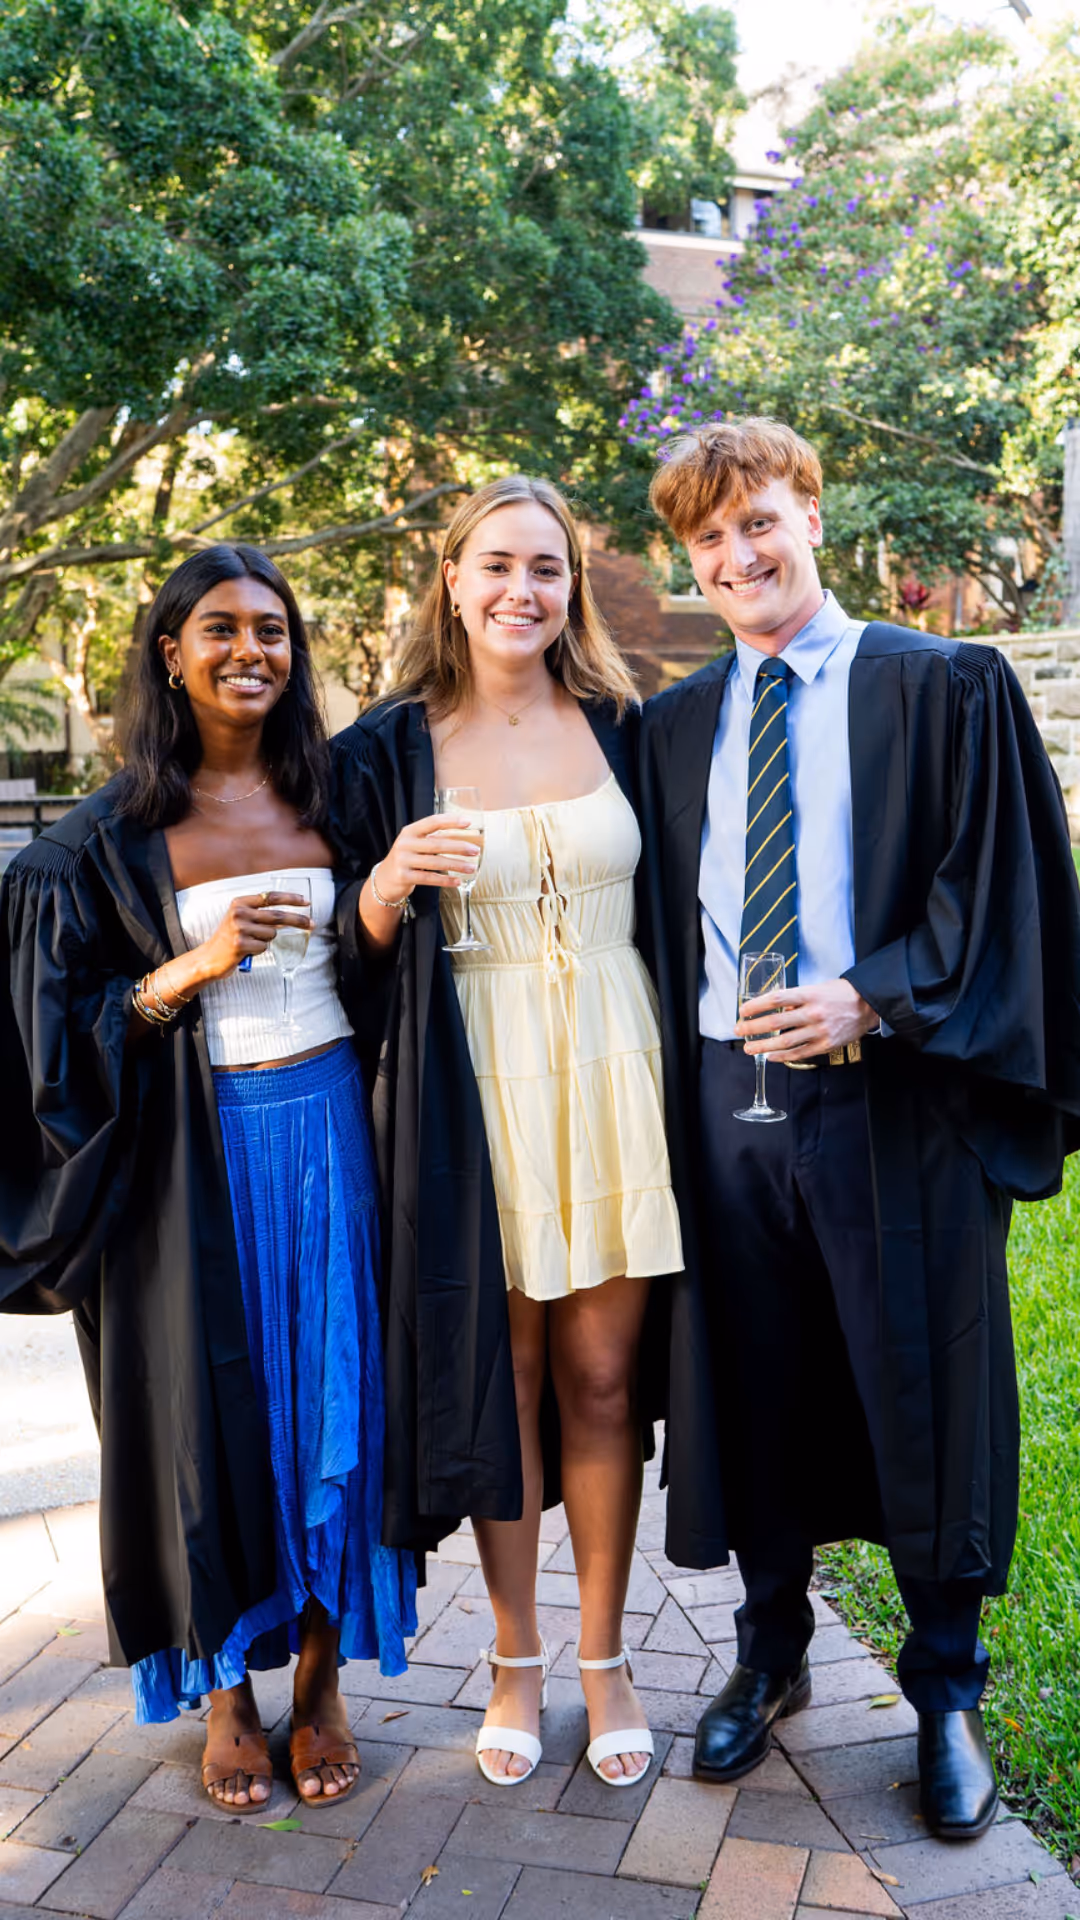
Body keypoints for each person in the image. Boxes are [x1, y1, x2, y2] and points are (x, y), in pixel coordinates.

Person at [637, 418, 1080, 1839]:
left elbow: (998, 887)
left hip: (892, 1092)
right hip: (726, 1101)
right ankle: (773, 1653)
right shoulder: (676, 722)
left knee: (924, 1374)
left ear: (811, 517)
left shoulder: (942, 684)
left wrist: (871, 1001)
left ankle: (944, 1687)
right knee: (753, 1372)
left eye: (758, 521)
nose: (738, 556)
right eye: (709, 540)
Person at [0, 544, 416, 1813]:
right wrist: (190, 967)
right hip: (194, 1155)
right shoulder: (104, 840)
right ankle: (228, 1688)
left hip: (334, 1131)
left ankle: (323, 1670)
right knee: (207, 1423)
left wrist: (379, 914)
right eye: (222, 629)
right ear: (170, 653)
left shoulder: (341, 797)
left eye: (274, 631)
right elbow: (48, 1037)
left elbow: (387, 974)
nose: (252, 651)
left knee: (334, 1398)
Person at [330, 475, 683, 1788]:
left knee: (600, 1381)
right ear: (453, 581)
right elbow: (337, 959)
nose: (522, 591)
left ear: (571, 587)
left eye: (546, 567)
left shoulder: (630, 729)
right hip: (468, 1089)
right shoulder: (381, 748)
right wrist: (379, 891)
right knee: (503, 1383)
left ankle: (607, 1658)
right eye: (497, 566)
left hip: (614, 1072)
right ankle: (515, 1660)